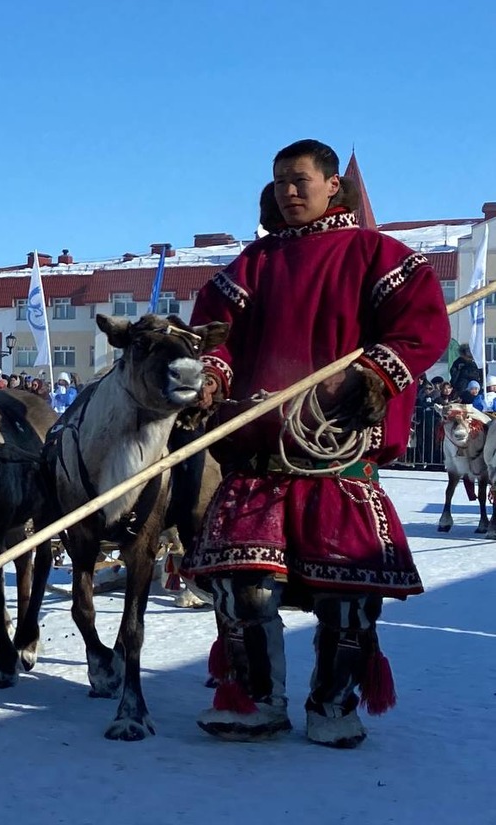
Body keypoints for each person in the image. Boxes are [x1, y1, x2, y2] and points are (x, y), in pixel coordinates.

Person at [182, 139, 450, 748]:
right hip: (257, 454)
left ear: (334, 184)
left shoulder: (377, 255)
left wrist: (369, 373)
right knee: (240, 585)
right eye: (279, 181)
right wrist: (212, 376)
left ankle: (333, 705)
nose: (288, 191)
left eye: (300, 180)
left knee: (346, 592)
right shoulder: (252, 264)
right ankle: (253, 700)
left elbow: (420, 329)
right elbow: (214, 336)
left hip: (339, 457)